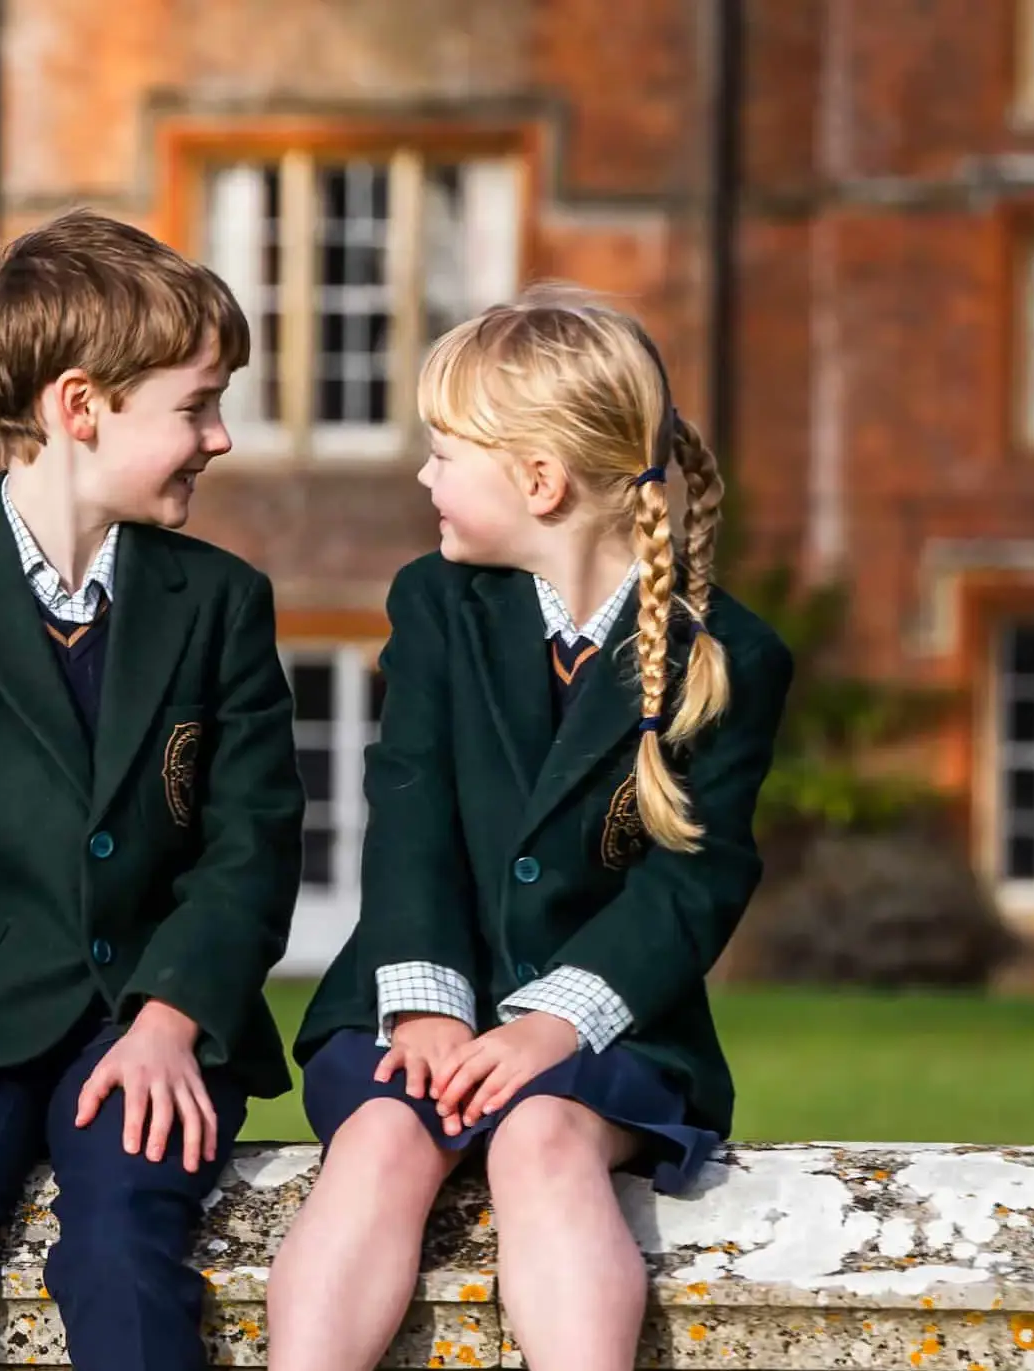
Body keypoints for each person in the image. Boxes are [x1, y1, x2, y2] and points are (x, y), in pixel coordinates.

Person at [0, 208, 305, 1371]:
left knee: (121, 1250)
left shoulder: (220, 602)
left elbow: (251, 845)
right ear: (77, 408)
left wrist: (170, 1019)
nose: (219, 439)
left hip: (152, 1022)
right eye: (194, 407)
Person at [270, 291, 795, 1371]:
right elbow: (405, 806)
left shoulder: (727, 656)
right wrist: (423, 1007)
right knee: (376, 1143)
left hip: (610, 1027)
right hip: (417, 994)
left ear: (540, 482)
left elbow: (692, 884)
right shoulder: (435, 605)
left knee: (541, 1143)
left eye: (442, 452)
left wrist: (552, 1027)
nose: (423, 477)